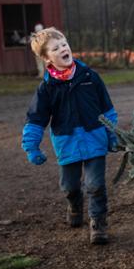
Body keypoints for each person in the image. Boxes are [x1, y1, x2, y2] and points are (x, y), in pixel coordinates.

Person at [21, 27, 118, 245]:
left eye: (64, 44)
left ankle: (98, 223)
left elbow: (107, 107)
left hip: (95, 138)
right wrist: (32, 146)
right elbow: (36, 118)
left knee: (95, 185)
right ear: (47, 58)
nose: (63, 48)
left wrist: (112, 134)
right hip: (67, 143)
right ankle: (75, 205)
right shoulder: (47, 88)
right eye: (56, 48)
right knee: (70, 186)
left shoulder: (90, 77)